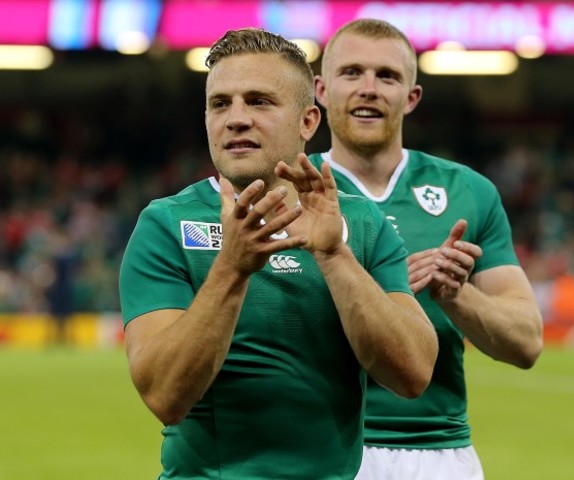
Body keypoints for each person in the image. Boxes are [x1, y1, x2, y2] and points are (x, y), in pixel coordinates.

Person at [119, 28, 438, 480]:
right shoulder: (165, 225)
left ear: (308, 122)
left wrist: (334, 256)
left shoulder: (362, 225)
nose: (236, 119)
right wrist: (232, 267)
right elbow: (164, 396)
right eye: (220, 103)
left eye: (259, 101)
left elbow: (412, 374)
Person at [310, 18, 544, 479]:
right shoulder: (289, 190)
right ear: (320, 90)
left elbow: (527, 342)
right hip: (318, 451)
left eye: (388, 76)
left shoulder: (469, 192)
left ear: (411, 97)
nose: (369, 88)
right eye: (352, 72)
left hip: (438, 453)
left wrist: (457, 294)